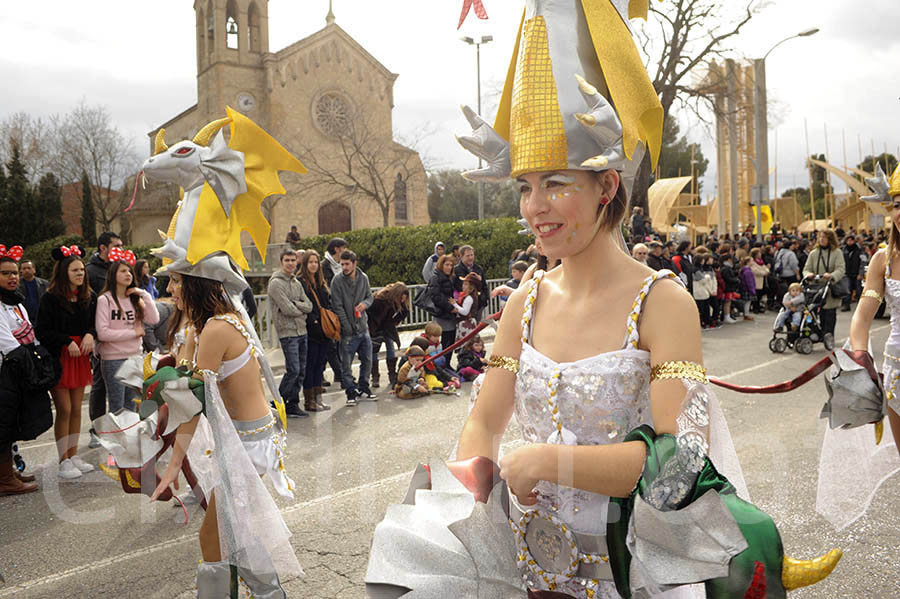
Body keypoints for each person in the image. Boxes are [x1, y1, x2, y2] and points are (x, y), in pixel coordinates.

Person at [367, 3, 838, 594]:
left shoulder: (663, 303)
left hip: (632, 569)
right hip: (528, 567)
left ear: (607, 186)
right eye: (525, 186)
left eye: (556, 183)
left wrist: (548, 461)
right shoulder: (524, 302)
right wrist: (476, 492)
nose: (535, 206)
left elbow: (681, 460)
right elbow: (485, 419)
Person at [35, 246, 97, 480]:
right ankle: (63, 460)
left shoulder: (88, 297)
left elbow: (92, 325)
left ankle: (73, 455)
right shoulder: (50, 298)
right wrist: (64, 342)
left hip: (80, 358)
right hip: (59, 359)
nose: (80, 273)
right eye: (75, 270)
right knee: (65, 409)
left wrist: (91, 334)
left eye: (82, 269)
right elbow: (41, 330)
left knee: (76, 410)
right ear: (64, 272)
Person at [0, 253, 52, 495]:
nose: (12, 277)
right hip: (5, 371)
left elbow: (30, 333)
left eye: (14, 273)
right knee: (3, 425)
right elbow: (8, 344)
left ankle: (8, 471)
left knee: (11, 425)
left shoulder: (16, 302)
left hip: (17, 371)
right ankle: (5, 479)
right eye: (5, 273)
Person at [95, 252, 160, 414]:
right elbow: (102, 333)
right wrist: (133, 332)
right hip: (113, 359)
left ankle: (129, 439)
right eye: (123, 271)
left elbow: (153, 319)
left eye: (129, 271)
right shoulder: (105, 300)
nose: (128, 274)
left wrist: (144, 294)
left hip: (135, 358)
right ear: (112, 275)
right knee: (117, 407)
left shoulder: (135, 298)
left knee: (132, 407)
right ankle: (116, 439)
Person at [85, 231, 123, 448]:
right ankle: (97, 429)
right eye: (116, 245)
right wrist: (93, 334)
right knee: (100, 384)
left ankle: (123, 427)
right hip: (102, 339)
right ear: (103, 248)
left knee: (126, 384)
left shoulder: (120, 269)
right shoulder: (90, 272)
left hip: (124, 340)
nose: (120, 249)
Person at [267, 248, 312, 418]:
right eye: (287, 260)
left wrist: (297, 305)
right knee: (293, 369)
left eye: (293, 260)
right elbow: (287, 309)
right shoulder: (275, 283)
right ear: (281, 262)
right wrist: (299, 307)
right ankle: (277, 403)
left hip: (302, 331)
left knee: (301, 370)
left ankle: (292, 404)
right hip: (288, 333)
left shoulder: (296, 283)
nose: (291, 263)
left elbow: (309, 305)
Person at [330, 249, 376, 405]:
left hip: (363, 327)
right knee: (346, 364)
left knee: (367, 360)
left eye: (347, 264)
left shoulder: (364, 278)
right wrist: (347, 327)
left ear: (354, 264)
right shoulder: (337, 281)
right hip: (347, 331)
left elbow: (370, 296)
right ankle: (350, 392)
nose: (344, 267)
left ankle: (364, 387)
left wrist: (365, 304)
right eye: (342, 264)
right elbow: (337, 306)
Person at [297, 249, 333, 412]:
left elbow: (327, 302)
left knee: (320, 365)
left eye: (316, 262)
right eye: (310, 262)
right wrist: (314, 320)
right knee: (310, 365)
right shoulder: (301, 282)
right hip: (311, 330)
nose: (313, 265)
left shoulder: (321, 282)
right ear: (305, 264)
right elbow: (302, 305)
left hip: (325, 330)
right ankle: (309, 401)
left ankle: (319, 399)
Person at [803, 229, 846, 338]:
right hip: (815, 287)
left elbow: (840, 269)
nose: (821, 239)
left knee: (829, 313)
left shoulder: (837, 252)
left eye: (824, 237)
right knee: (811, 311)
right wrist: (808, 274)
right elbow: (806, 269)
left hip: (829, 288)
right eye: (820, 237)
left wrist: (832, 275)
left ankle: (828, 335)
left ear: (830, 239)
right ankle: (815, 334)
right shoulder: (814, 253)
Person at [368, 282, 409, 389]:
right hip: (375, 327)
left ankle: (392, 374)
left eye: (404, 299)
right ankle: (375, 376)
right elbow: (371, 314)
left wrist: (393, 321)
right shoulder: (380, 299)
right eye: (402, 298)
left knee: (390, 348)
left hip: (387, 327)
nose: (403, 301)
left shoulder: (398, 300)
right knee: (374, 351)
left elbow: (405, 311)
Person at [321, 237, 347, 387]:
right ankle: (338, 374)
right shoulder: (325, 266)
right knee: (330, 344)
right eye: (343, 247)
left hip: (339, 307)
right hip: (329, 309)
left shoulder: (339, 265)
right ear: (337, 249)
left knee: (336, 344)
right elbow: (327, 286)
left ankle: (339, 375)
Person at [428, 254, 459, 352]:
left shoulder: (450, 278)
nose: (449, 267)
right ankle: (443, 364)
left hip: (450, 314)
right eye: (447, 265)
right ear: (441, 265)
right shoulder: (435, 277)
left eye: (451, 265)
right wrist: (450, 308)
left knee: (451, 341)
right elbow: (436, 297)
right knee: (444, 341)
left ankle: (447, 363)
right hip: (442, 314)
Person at [453, 245, 488, 320]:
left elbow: (484, 286)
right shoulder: (456, 270)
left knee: (476, 327)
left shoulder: (478, 269)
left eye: (472, 255)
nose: (470, 258)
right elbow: (454, 287)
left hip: (478, 304)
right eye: (467, 256)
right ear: (461, 256)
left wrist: (483, 300)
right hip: (463, 305)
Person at [452, 272, 481, 341]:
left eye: (465, 284)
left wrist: (454, 304)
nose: (463, 286)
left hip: (467, 323)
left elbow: (465, 312)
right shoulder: (468, 297)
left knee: (467, 342)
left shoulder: (469, 298)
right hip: (466, 322)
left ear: (471, 287)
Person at [842, 234, 864, 312]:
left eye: (851, 240)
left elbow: (863, 262)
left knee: (858, 291)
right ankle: (846, 305)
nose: (849, 242)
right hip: (847, 273)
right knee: (847, 290)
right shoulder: (844, 250)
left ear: (854, 241)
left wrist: (861, 273)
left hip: (856, 273)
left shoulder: (859, 249)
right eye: (848, 240)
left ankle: (860, 306)